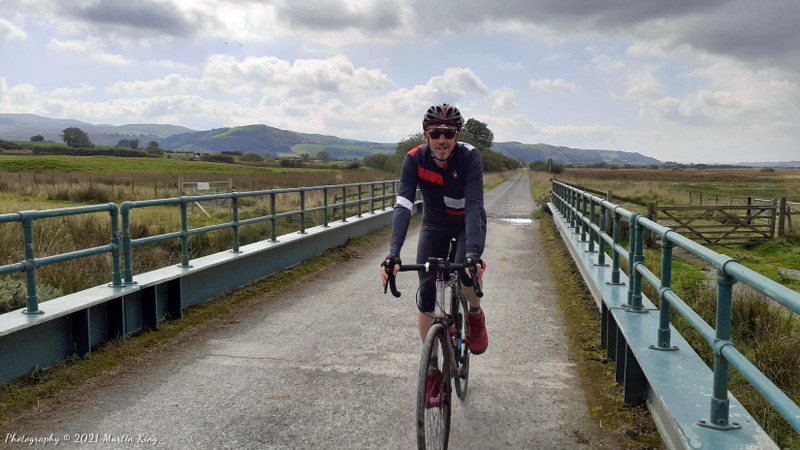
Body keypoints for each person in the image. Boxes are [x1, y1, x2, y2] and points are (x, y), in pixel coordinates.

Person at [380, 103, 488, 397]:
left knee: (467, 274)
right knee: (426, 294)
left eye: (448, 133)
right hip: (435, 225)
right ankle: (431, 370)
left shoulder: (469, 157)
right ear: (426, 133)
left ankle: (475, 314)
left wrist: (473, 253)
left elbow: (476, 205)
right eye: (436, 133)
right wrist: (394, 253)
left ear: (456, 135)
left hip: (467, 224)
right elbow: (403, 205)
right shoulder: (414, 159)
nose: (442, 139)